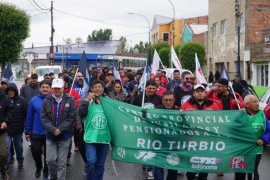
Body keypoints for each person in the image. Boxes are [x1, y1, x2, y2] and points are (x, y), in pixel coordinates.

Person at [181, 84, 221, 180]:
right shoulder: (186, 104)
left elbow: (220, 119)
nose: (199, 93)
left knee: (204, 167)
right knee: (191, 167)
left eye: (201, 91)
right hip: (191, 140)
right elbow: (181, 121)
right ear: (193, 93)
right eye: (197, 91)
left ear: (205, 93)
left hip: (206, 140)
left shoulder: (213, 104)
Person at [41, 78, 76, 180]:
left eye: (59, 88)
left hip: (65, 136)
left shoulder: (70, 99)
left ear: (63, 88)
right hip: (50, 135)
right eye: (55, 88)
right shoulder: (47, 99)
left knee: (62, 162)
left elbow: (72, 116)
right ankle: (53, 176)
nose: (56, 90)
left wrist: (60, 129)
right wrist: (53, 129)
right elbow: (43, 117)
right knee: (50, 160)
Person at [78, 80, 111, 180]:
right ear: (91, 89)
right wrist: (87, 101)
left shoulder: (109, 101)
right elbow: (81, 113)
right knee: (91, 162)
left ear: (103, 88)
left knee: (100, 165)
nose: (97, 88)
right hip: (91, 138)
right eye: (95, 87)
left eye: (99, 86)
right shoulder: (87, 100)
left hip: (104, 138)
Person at [235, 95, 270, 180]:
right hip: (241, 150)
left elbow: (268, 130)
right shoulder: (240, 114)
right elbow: (233, 129)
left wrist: (263, 139)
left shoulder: (261, 114)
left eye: (257, 101)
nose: (257, 104)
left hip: (256, 149)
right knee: (240, 171)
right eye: (254, 102)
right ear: (246, 104)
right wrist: (239, 115)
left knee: (254, 170)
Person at [132, 80, 162, 180]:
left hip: (155, 127)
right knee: (147, 147)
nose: (152, 90)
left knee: (153, 147)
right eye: (150, 88)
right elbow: (132, 108)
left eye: (154, 88)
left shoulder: (159, 98)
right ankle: (149, 168)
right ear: (145, 88)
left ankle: (150, 167)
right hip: (142, 126)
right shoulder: (140, 97)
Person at [24, 80, 51, 179]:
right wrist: (27, 131)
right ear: (39, 88)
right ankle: (38, 166)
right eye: (43, 87)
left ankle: (46, 172)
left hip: (49, 133)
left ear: (50, 89)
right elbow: (29, 116)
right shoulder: (33, 100)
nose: (45, 89)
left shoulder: (53, 100)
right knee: (35, 152)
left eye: (47, 87)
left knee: (48, 156)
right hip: (36, 132)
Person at [153, 91, 178, 180]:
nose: (168, 102)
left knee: (173, 168)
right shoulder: (155, 110)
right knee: (158, 167)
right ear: (162, 101)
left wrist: (184, 114)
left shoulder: (178, 111)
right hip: (159, 143)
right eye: (166, 100)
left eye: (170, 100)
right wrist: (145, 112)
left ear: (174, 100)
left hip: (173, 144)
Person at [5, 83, 28, 172]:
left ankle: (20, 161)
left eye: (12, 90)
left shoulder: (22, 101)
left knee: (19, 147)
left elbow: (27, 116)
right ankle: (7, 165)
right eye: (9, 91)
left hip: (18, 129)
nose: (10, 92)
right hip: (6, 130)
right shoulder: (3, 100)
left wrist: (27, 129)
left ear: (15, 91)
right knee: (7, 148)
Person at [0, 87, 12, 180]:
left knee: (3, 154)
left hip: (1, 131)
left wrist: (5, 121)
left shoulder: (4, 97)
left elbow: (9, 111)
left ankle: (2, 170)